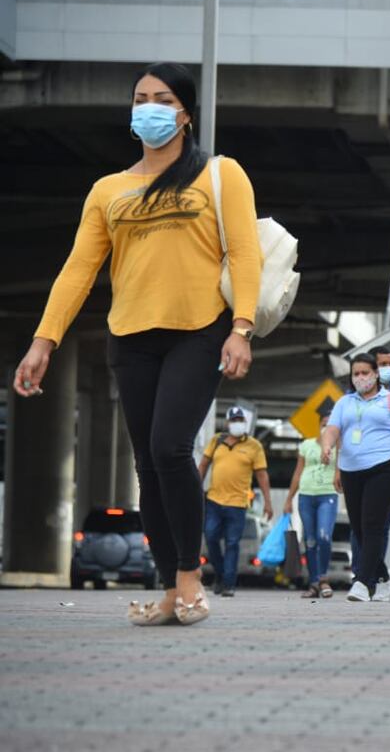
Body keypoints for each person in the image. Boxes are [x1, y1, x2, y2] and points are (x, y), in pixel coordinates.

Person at [14, 62, 262, 626]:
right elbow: (79, 269)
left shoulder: (221, 175)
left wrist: (241, 328)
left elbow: (246, 254)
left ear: (185, 113)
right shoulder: (109, 190)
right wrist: (43, 341)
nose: (149, 106)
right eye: (140, 98)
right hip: (131, 336)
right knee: (148, 464)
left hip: (200, 330)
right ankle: (171, 590)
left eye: (162, 97)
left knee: (172, 447)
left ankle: (189, 579)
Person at [321, 354, 390, 603]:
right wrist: (327, 447)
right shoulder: (344, 402)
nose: (360, 378)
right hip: (351, 470)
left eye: (365, 372)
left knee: (372, 525)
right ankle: (384, 579)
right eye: (356, 374)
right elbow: (332, 429)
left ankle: (363, 583)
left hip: (384, 468)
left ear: (376, 374)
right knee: (360, 529)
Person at [198, 406, 273, 598]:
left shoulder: (254, 446)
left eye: (241, 420)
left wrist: (268, 502)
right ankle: (220, 574)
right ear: (227, 423)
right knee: (211, 536)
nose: (237, 423)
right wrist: (194, 489)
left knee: (232, 543)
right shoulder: (216, 441)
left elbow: (262, 475)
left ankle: (228, 584)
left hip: (238, 504)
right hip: (214, 500)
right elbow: (204, 464)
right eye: (234, 420)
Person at [283, 407, 338, 599]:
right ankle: (314, 582)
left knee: (324, 536)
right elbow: (298, 473)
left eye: (329, 425)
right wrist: (289, 499)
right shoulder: (306, 445)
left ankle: (324, 578)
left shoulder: (340, 447)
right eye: (323, 423)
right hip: (306, 496)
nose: (326, 427)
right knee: (311, 540)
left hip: (327, 495)